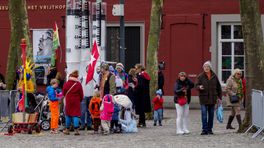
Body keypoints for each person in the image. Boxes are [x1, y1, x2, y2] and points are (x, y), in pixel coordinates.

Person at [196, 61, 222, 135]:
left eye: (207, 66)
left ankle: (210, 129)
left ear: (210, 67)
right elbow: (196, 85)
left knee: (211, 115)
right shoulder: (200, 76)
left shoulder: (214, 76)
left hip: (213, 98)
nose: (206, 68)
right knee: (204, 114)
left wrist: (220, 98)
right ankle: (204, 129)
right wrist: (199, 87)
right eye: (205, 67)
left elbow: (218, 87)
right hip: (203, 99)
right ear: (203, 68)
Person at [62, 70, 83, 135]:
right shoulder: (78, 84)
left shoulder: (67, 83)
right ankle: (76, 130)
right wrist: (80, 100)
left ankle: (67, 130)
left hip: (68, 101)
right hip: (76, 101)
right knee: (75, 115)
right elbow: (81, 94)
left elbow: (63, 92)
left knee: (68, 115)